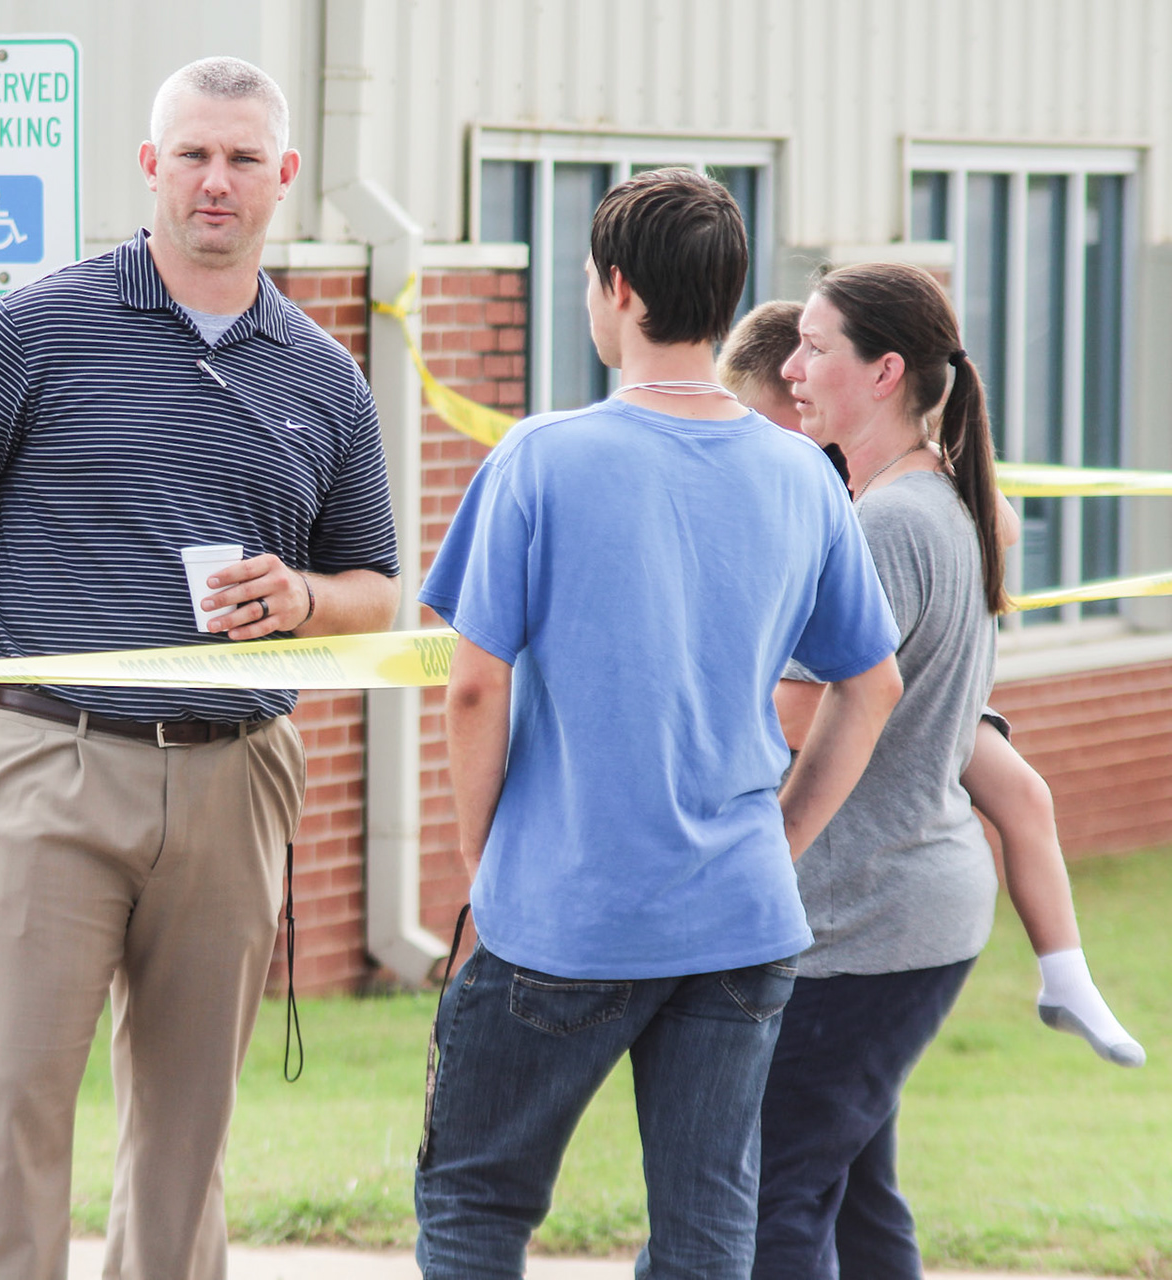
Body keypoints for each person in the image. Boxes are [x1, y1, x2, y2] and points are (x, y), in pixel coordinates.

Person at [0, 56, 401, 1280]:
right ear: (150, 166)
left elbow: (376, 590)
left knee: (186, 1135)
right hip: (51, 757)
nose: (218, 180)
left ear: (285, 180)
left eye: (243, 158)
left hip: (238, 777)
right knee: (10, 1110)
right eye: (194, 154)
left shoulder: (325, 376)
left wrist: (304, 597)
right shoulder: (37, 328)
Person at [412, 168, 904, 1280]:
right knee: (708, 1231)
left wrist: (483, 862)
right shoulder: (803, 474)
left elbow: (474, 686)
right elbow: (870, 684)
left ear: (617, 290)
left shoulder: (541, 457)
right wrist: (776, 841)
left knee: (475, 1199)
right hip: (738, 913)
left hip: (564, 909)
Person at [720, 302, 1144, 1069]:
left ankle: (1066, 973)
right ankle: (1065, 976)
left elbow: (997, 526)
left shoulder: (879, 490)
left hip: (910, 689)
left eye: (781, 406)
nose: (775, 427)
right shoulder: (788, 479)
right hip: (894, 690)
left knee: (1025, 796)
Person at [752, 261, 1047, 1278]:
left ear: (883, 372)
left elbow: (797, 709)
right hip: (907, 907)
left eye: (815, 346)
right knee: (855, 1200)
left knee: (769, 1202)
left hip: (860, 922)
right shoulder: (930, 500)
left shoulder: (884, 523)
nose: (791, 364)